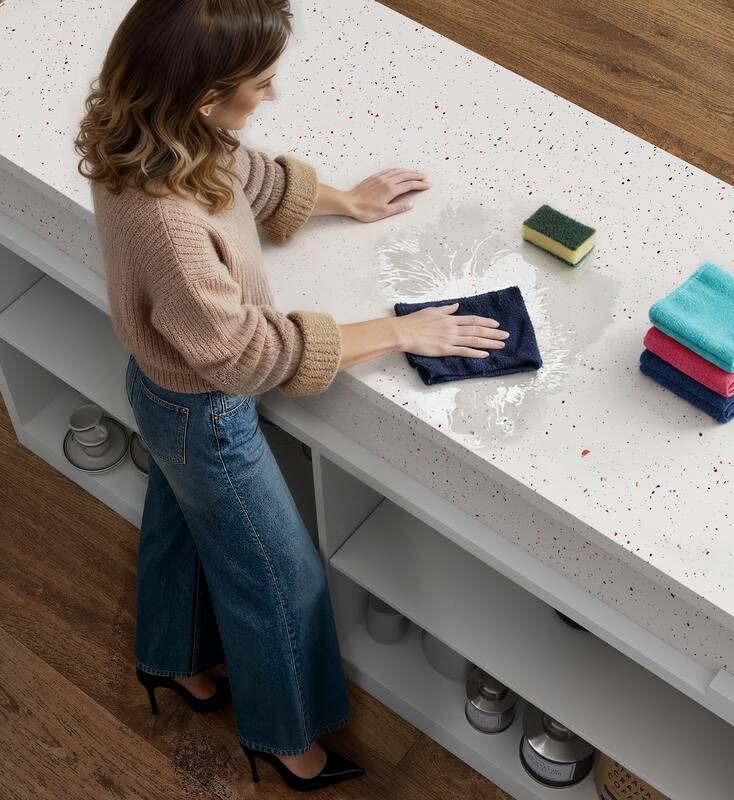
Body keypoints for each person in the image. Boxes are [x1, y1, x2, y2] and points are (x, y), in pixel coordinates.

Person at [75, 0, 509, 791]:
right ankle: (284, 740)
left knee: (182, 527)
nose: (272, 95)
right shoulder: (168, 225)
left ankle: (171, 660)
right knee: (281, 580)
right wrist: (399, 331)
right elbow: (248, 355)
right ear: (205, 94)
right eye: (261, 83)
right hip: (206, 414)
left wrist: (346, 200)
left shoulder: (150, 130)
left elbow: (241, 172)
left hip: (164, 394)